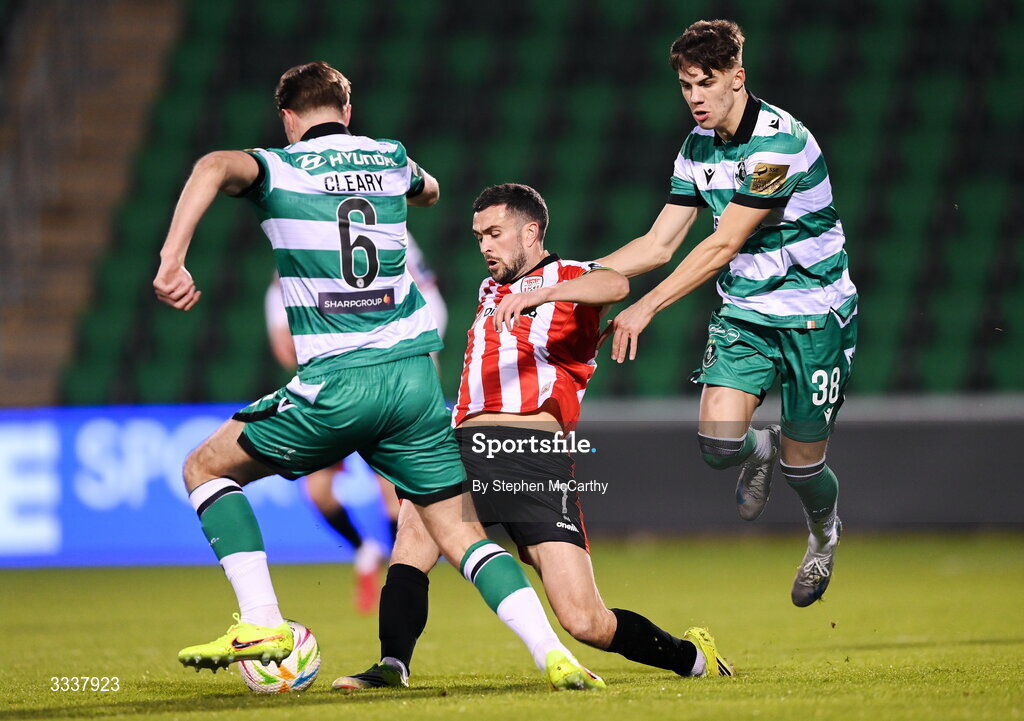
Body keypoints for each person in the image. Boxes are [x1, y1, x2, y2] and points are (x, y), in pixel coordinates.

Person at [153, 61, 604, 690]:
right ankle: (550, 653)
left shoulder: (278, 166)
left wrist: (174, 257)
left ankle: (263, 621)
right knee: (459, 533)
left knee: (203, 468)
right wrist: (394, 183)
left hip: (340, 382)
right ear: (348, 110)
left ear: (288, 118)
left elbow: (211, 166)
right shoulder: (388, 157)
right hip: (415, 383)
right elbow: (432, 190)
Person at [333, 184, 732, 691]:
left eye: (495, 234)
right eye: (479, 236)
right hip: (459, 445)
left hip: (531, 454)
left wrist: (543, 293)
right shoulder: (488, 291)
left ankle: (692, 658)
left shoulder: (569, 278)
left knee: (584, 619)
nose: (485, 246)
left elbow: (615, 287)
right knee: (412, 541)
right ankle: (392, 665)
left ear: (531, 232)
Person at [598, 20, 857, 607]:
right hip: (745, 314)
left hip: (815, 316)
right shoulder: (696, 149)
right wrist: (573, 277)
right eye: (686, 85)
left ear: (737, 78)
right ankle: (756, 449)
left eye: (706, 83)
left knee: (804, 468)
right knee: (718, 446)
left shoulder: (779, 143)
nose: (694, 97)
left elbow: (722, 245)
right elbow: (659, 244)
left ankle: (823, 536)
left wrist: (644, 306)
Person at [265, 234, 446, 614]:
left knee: (392, 493)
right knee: (318, 492)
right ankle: (366, 549)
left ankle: (401, 578)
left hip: (389, 379)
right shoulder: (298, 254)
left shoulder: (384, 237)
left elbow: (429, 308)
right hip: (334, 386)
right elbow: (285, 348)